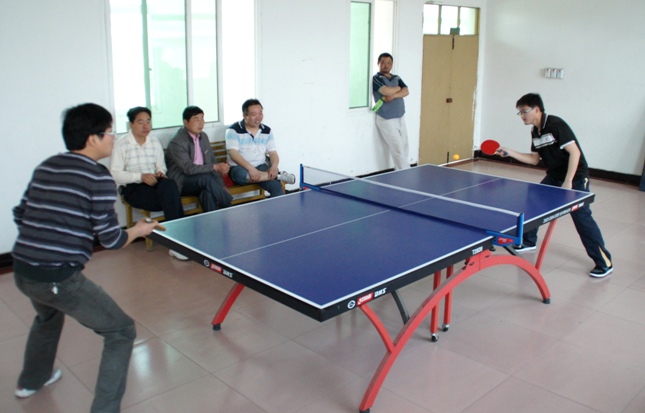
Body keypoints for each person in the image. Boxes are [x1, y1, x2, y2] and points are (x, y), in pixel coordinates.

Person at [12, 103, 159, 411]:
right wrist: (139, 230)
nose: (113, 138)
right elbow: (112, 239)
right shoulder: (98, 177)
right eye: (109, 132)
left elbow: (20, 213)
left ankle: (31, 380)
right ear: (93, 138)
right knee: (121, 331)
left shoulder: (48, 165)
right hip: (57, 278)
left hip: (23, 270)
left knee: (48, 316)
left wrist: (44, 238)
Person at [496, 93, 613, 278]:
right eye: (520, 113)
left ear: (537, 109)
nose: (522, 116)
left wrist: (568, 181)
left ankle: (604, 262)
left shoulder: (556, 124)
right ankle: (529, 241)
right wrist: (509, 151)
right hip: (554, 176)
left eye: (524, 111)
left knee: (581, 218)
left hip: (576, 177)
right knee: (533, 201)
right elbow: (535, 159)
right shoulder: (535, 132)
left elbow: (575, 153)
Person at [110, 106, 188, 261]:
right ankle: (179, 241)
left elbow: (161, 166)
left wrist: (160, 172)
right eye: (140, 122)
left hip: (155, 183)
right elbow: (115, 174)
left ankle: (177, 242)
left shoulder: (154, 141)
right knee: (171, 199)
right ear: (131, 124)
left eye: (148, 121)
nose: (146, 126)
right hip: (133, 188)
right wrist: (141, 176)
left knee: (169, 184)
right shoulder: (121, 144)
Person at [166, 106, 233, 212]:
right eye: (196, 119)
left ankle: (212, 220)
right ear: (186, 122)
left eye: (202, 118)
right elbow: (188, 169)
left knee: (207, 193)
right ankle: (229, 207)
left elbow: (212, 160)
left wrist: (221, 185)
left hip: (203, 181)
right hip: (183, 182)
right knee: (206, 178)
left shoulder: (203, 137)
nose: (201, 123)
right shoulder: (177, 142)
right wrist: (215, 167)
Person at [225, 99, 295, 196]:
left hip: (260, 165)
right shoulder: (233, 130)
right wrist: (251, 169)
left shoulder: (267, 130)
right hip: (239, 167)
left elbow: (273, 153)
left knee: (275, 186)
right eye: (254, 114)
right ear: (245, 116)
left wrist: (274, 167)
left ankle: (278, 202)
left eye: (260, 113)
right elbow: (233, 154)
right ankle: (278, 176)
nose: (258, 117)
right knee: (240, 175)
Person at [372, 52, 410, 170]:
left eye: (389, 63)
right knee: (398, 149)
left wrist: (393, 95)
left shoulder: (397, 78)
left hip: (400, 117)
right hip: (386, 119)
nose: (386, 65)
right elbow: (386, 91)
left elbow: (406, 91)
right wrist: (398, 88)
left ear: (392, 64)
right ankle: (405, 174)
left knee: (404, 147)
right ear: (378, 63)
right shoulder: (376, 78)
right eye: (383, 62)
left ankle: (400, 171)